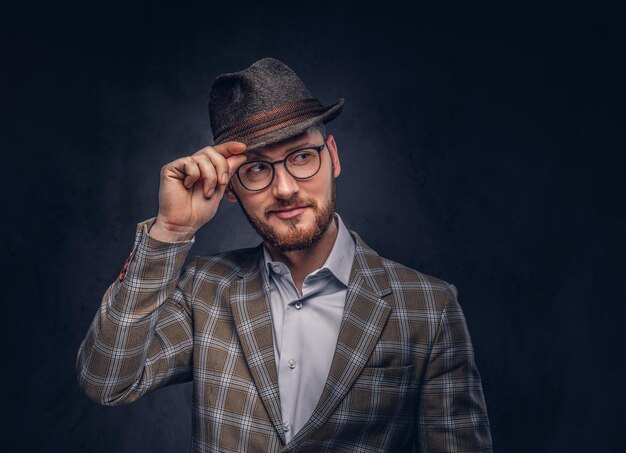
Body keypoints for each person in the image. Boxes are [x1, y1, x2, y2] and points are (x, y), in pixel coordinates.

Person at [76, 57, 493, 452]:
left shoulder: (430, 308)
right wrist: (171, 232)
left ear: (332, 157)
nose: (285, 188)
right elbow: (107, 380)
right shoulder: (203, 290)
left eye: (301, 157)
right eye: (257, 168)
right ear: (231, 189)